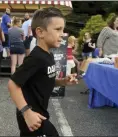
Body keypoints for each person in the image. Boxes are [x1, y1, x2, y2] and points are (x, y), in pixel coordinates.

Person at [7, 7, 78, 136]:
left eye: (62, 29)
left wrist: (63, 81)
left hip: (40, 114)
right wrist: (27, 112)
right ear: (40, 32)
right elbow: (13, 84)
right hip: (32, 116)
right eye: (57, 29)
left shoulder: (48, 55)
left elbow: (45, 80)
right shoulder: (36, 57)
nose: (62, 34)